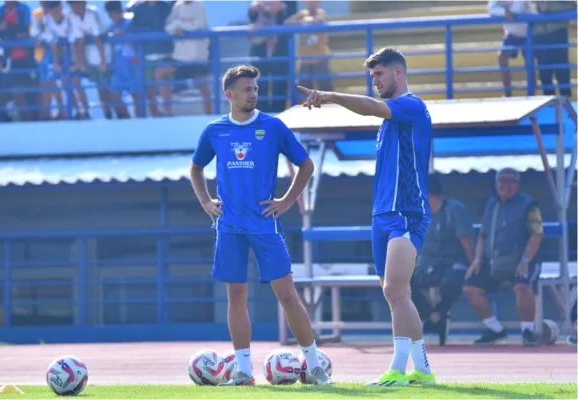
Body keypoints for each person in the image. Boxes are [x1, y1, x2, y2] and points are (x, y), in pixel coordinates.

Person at [189, 64, 333, 386]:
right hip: (229, 228)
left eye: (255, 89)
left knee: (289, 296)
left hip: (266, 227)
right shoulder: (215, 131)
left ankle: (314, 366)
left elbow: (306, 165)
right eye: (247, 89)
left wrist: (285, 201)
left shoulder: (273, 126)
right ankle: (243, 372)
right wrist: (206, 203)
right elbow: (195, 168)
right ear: (229, 94)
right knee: (235, 300)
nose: (253, 94)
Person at [298, 47, 435, 386]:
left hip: (407, 210)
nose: (375, 81)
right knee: (395, 293)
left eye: (380, 74)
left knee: (395, 288)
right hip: (382, 213)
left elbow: (372, 108)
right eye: (372, 76)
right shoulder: (390, 121)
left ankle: (397, 369)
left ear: (398, 73)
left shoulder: (412, 106)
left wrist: (328, 95)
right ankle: (424, 370)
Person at [463, 167, 543, 346]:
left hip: (520, 261)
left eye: (510, 181)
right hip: (494, 263)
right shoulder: (491, 204)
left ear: (517, 184)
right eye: (502, 180)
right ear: (496, 183)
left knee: (522, 287)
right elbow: (483, 235)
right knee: (470, 287)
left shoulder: (529, 205)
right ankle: (495, 329)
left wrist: (525, 261)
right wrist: (477, 260)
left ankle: (528, 331)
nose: (505, 185)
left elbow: (536, 235)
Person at [411, 173, 474, 346]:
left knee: (450, 283)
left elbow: (466, 241)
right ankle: (432, 315)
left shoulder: (454, 209)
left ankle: (438, 315)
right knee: (403, 282)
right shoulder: (419, 212)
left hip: (454, 263)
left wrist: (474, 265)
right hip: (427, 264)